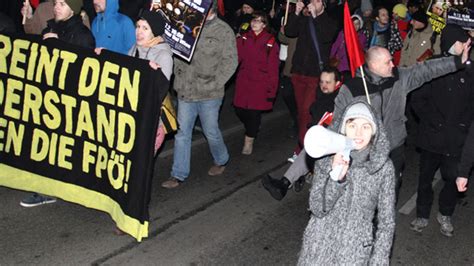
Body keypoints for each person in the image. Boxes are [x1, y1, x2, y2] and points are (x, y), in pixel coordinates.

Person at [333, 42, 471, 199]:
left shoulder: (399, 78)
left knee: (391, 190)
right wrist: (339, 153)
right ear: (373, 64)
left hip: (394, 148)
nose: (393, 64)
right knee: (365, 194)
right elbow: (337, 123)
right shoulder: (352, 88)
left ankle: (384, 222)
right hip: (365, 153)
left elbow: (426, 69)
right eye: (388, 62)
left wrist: (456, 62)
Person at [298, 101, 395, 265]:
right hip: (318, 248)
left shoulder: (383, 167)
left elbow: (386, 222)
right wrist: (337, 179)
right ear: (343, 128)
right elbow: (317, 209)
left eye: (365, 126)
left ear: (373, 131)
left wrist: (379, 259)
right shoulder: (325, 159)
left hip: (354, 252)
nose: (358, 132)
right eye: (352, 125)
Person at [20, 0, 95, 207]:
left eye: (62, 4)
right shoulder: (51, 26)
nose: (56, 7)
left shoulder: (83, 34)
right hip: (50, 99)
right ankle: (46, 189)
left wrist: (59, 41)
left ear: (73, 8)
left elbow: (85, 71)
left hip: (69, 102)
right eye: (56, 3)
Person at [161, 4, 238, 189]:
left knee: (210, 130)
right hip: (186, 89)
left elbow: (231, 60)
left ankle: (221, 159)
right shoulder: (186, 25)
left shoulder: (223, 30)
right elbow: (175, 50)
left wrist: (216, 82)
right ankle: (178, 174)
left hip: (209, 93)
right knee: (182, 133)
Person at [409, 24, 474, 237]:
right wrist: (431, 121)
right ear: (450, 43)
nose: (465, 45)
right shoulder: (432, 65)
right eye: (460, 41)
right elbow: (417, 99)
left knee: (453, 179)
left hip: (457, 139)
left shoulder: (470, 70)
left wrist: (464, 126)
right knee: (425, 178)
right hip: (431, 136)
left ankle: (445, 213)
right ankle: (422, 214)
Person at [262, 67, 342, 200]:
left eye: (328, 82)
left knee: (312, 150)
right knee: (309, 149)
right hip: (321, 141)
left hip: (335, 146)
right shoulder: (322, 96)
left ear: (337, 83)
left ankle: (293, 181)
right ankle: (287, 182)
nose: (324, 86)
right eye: (321, 82)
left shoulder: (338, 101)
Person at [284, 0, 337, 161]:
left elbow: (326, 36)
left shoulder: (329, 21)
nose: (313, 2)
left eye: (317, 0)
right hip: (299, 72)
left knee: (308, 113)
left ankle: (303, 151)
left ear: (324, 4)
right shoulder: (305, 19)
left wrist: (315, 16)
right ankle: (304, 147)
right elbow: (289, 31)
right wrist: (297, 12)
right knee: (301, 113)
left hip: (315, 75)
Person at [234, 11, 279, 155]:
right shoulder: (244, 38)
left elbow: (273, 69)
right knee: (239, 109)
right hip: (244, 82)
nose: (255, 23)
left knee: (253, 113)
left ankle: (249, 139)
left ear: (264, 25)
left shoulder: (270, 42)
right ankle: (252, 128)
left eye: (259, 21)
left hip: (260, 84)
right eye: (254, 20)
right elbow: (236, 58)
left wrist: (272, 90)